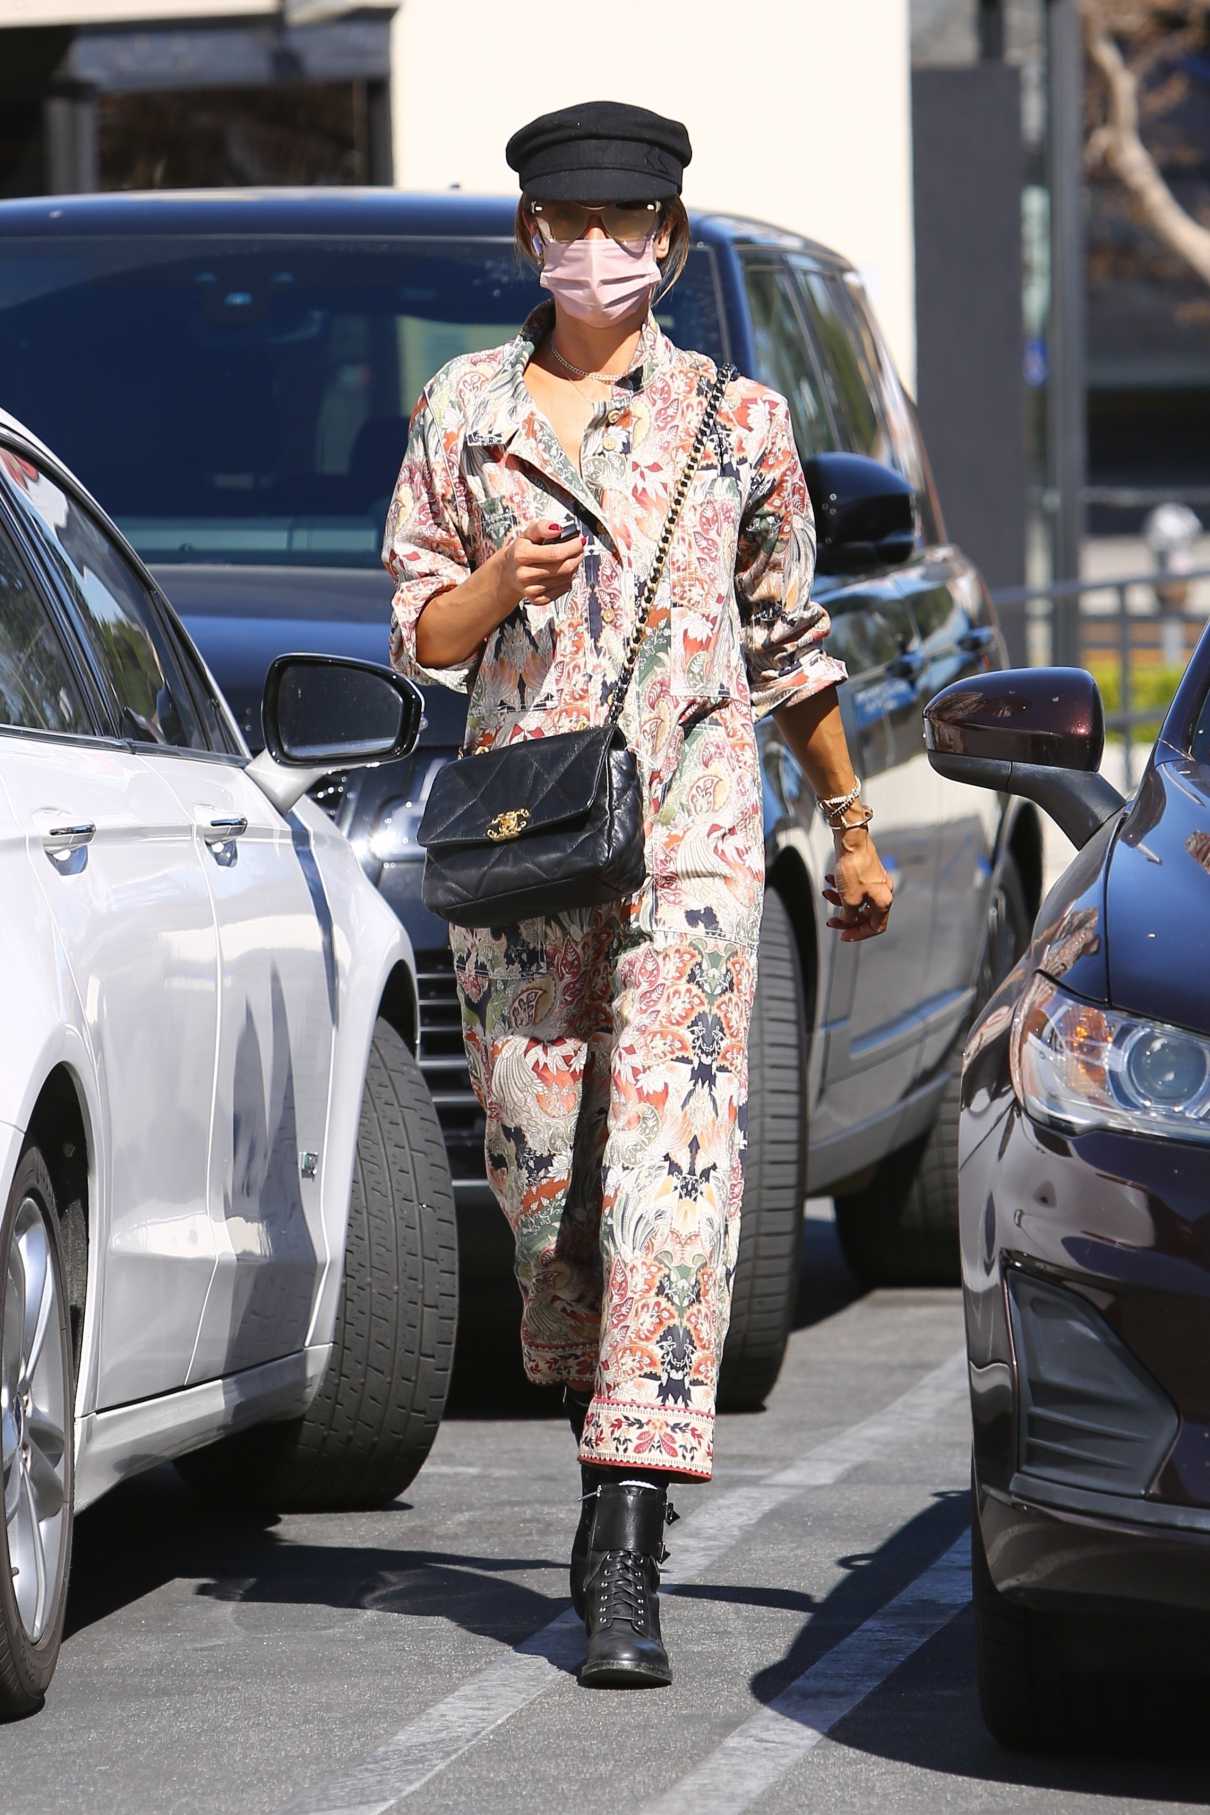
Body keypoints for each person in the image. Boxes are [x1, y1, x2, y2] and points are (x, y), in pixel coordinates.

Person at [383, 100, 893, 1689]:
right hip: (523, 847)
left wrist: (851, 822)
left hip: (687, 835)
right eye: (567, 224)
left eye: (626, 224)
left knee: (670, 1168)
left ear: (669, 241)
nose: (596, 250)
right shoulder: (460, 406)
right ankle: (595, 1386)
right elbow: (421, 632)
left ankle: (623, 1536)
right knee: (546, 1177)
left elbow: (787, 641)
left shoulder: (737, 421)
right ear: (527, 238)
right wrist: (495, 584)